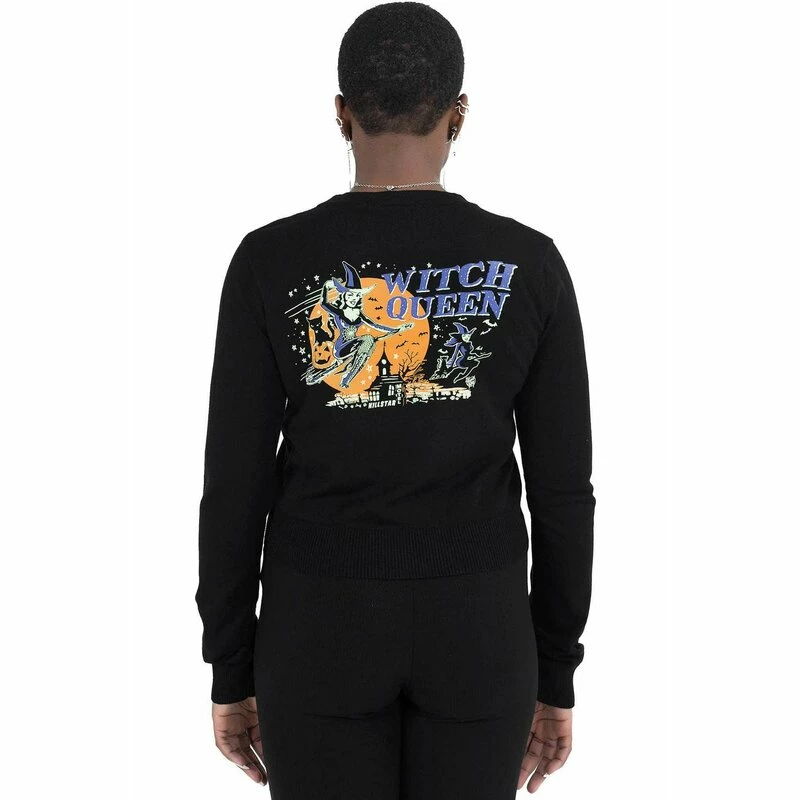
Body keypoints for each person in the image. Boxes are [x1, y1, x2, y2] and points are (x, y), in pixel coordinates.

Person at [194, 2, 596, 797]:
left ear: (341, 113)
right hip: (479, 632)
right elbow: (563, 494)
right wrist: (556, 671)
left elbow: (235, 486)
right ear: (459, 114)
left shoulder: (269, 260)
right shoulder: (530, 264)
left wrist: (230, 665)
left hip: (319, 629)